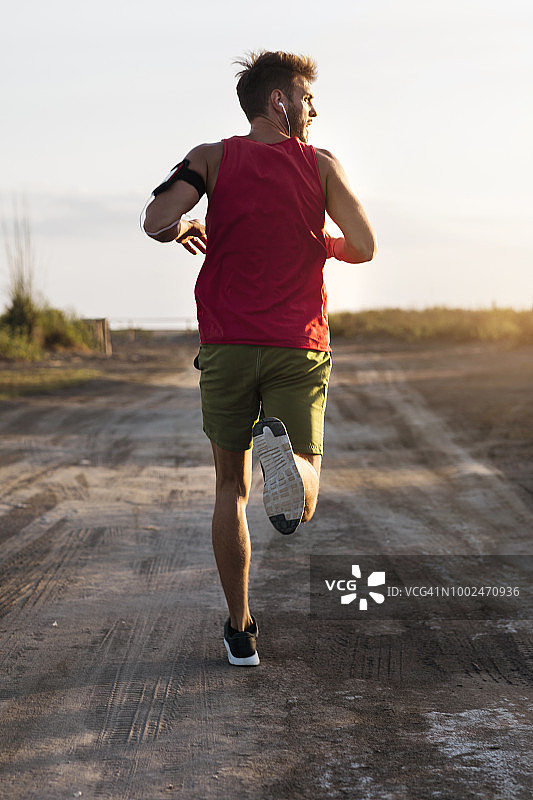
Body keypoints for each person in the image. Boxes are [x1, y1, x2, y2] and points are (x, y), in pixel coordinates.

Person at [143, 51, 376, 667]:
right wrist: (319, 243)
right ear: (280, 102)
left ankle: (241, 628)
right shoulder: (320, 166)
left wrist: (186, 225)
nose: (313, 109)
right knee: (302, 482)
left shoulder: (211, 159)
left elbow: (155, 220)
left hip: (226, 344)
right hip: (296, 344)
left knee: (229, 486)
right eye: (307, 97)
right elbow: (365, 245)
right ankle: (288, 463)